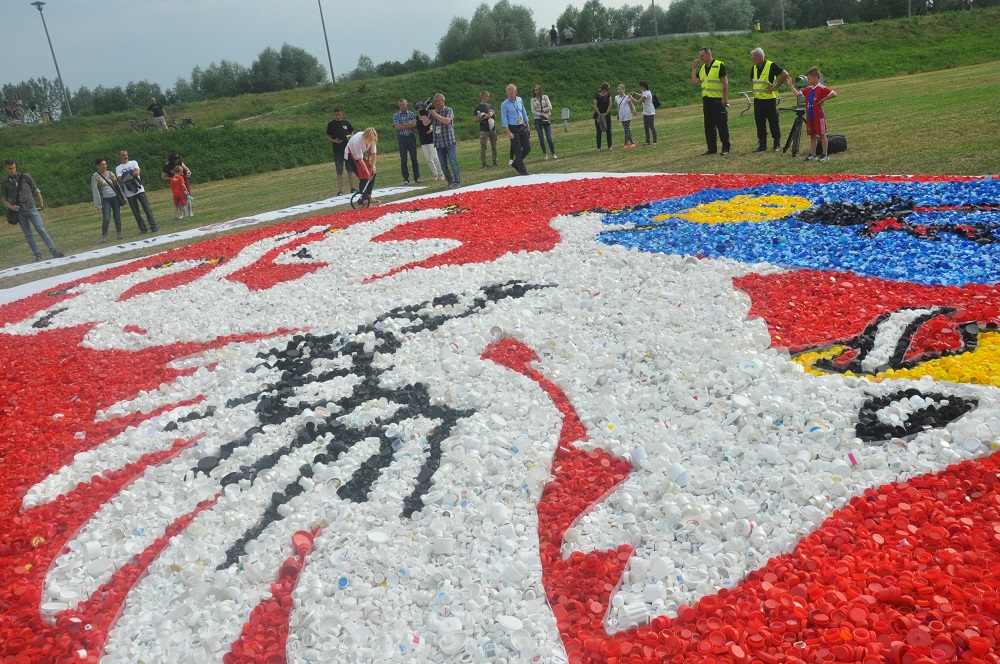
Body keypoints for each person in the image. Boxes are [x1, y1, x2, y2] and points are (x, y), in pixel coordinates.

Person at [2, 159, 64, 261]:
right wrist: (11, 207)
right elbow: (4, 199)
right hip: (19, 211)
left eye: (14, 168)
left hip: (31, 207)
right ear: (5, 168)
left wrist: (41, 204)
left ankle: (53, 251)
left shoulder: (25, 177)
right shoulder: (4, 183)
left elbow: (36, 190)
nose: (12, 170)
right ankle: (38, 255)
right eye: (10, 168)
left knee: (41, 229)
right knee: (28, 234)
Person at [749, 47, 796, 152]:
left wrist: (775, 87)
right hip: (757, 100)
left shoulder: (771, 66)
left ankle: (776, 143)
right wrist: (753, 87)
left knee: (773, 121)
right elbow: (751, 78)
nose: (753, 60)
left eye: (754, 58)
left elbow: (785, 74)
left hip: (769, 100)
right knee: (759, 122)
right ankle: (762, 144)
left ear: (761, 57)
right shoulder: (754, 68)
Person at [691, 47, 731, 156]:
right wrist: (694, 69)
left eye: (702, 56)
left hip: (717, 100)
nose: (701, 58)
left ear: (708, 55)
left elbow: (725, 82)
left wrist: (725, 97)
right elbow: (694, 81)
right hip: (707, 100)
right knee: (708, 126)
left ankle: (726, 147)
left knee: (721, 124)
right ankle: (712, 148)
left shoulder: (719, 65)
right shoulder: (703, 68)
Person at [115, 149, 158, 233]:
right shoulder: (118, 168)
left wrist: (126, 177)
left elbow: (136, 172)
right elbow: (120, 179)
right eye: (123, 155)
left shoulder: (133, 162)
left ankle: (153, 226)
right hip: (129, 192)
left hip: (139, 189)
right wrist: (130, 175)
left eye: (126, 155)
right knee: (136, 212)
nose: (125, 157)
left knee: (147, 208)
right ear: (119, 157)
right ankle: (143, 229)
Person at [800, 67, 837, 163]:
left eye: (809, 78)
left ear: (815, 78)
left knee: (822, 134)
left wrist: (823, 99)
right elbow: (797, 94)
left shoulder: (821, 88)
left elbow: (833, 94)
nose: (808, 80)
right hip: (810, 116)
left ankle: (825, 154)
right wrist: (790, 84)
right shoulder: (808, 89)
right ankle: (812, 154)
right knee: (812, 135)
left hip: (818, 116)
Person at [428, 93, 461, 188]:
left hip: (449, 140)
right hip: (439, 142)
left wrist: (434, 114)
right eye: (436, 101)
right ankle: (450, 181)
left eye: (439, 101)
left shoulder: (448, 110)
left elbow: (447, 121)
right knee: (443, 163)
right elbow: (426, 123)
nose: (437, 103)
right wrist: (423, 114)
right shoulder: (433, 112)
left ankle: (457, 181)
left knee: (453, 161)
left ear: (443, 101)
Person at [501, 84, 532, 176]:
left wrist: (527, 124)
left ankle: (516, 163)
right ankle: (523, 170)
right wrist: (508, 132)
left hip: (521, 125)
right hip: (513, 127)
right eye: (509, 93)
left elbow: (523, 112)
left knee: (527, 147)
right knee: (517, 150)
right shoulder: (504, 104)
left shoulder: (520, 100)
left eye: (512, 93)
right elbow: (504, 118)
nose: (510, 95)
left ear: (516, 92)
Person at [91, 158, 125, 242]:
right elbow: (96, 187)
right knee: (106, 218)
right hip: (105, 199)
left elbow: (115, 184)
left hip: (114, 197)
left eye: (105, 164)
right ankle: (104, 236)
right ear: (98, 166)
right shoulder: (96, 175)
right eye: (102, 164)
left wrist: (113, 180)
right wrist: (101, 183)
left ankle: (119, 233)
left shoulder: (110, 173)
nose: (104, 166)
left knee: (117, 217)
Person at [326, 107, 356, 196]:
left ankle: (353, 188)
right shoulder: (331, 124)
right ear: (334, 114)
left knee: (350, 169)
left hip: (347, 149)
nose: (338, 116)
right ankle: (340, 190)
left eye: (339, 114)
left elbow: (351, 131)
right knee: (339, 170)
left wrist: (351, 137)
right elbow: (328, 136)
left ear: (341, 113)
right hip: (337, 150)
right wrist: (334, 141)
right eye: (336, 115)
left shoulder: (345, 123)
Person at [345, 127, 379, 203]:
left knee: (373, 173)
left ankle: (369, 196)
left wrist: (373, 167)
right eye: (369, 139)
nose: (371, 141)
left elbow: (374, 154)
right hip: (350, 156)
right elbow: (360, 160)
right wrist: (367, 173)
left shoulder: (372, 139)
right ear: (366, 136)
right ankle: (364, 199)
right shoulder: (358, 140)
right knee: (364, 176)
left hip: (359, 156)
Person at [392, 98, 420, 185]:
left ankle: (417, 177)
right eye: (400, 105)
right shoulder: (396, 115)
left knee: (414, 158)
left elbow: (415, 124)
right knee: (403, 160)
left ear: (406, 105)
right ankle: (406, 179)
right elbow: (397, 127)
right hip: (402, 138)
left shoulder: (411, 114)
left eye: (403, 105)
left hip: (411, 137)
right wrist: (409, 124)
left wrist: (403, 124)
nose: (402, 107)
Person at [415, 102, 444, 181]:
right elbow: (417, 128)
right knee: (428, 159)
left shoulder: (429, 116)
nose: (419, 111)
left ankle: (441, 173)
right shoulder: (417, 118)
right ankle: (435, 174)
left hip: (431, 139)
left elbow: (436, 125)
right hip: (423, 140)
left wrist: (432, 129)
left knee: (435, 157)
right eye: (418, 109)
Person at [530, 85, 557, 160]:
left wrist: (542, 111)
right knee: (541, 137)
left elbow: (550, 107)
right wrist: (541, 114)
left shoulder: (545, 97)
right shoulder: (533, 100)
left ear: (540, 90)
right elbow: (533, 111)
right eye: (534, 90)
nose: (536, 91)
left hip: (546, 118)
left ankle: (553, 152)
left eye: (537, 90)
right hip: (537, 119)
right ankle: (545, 154)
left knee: (549, 137)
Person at [474, 91, 498, 168]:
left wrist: (492, 113)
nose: (488, 98)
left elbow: (495, 117)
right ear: (483, 96)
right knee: (483, 146)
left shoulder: (490, 106)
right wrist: (484, 117)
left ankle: (495, 161)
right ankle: (484, 163)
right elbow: (475, 119)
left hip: (492, 128)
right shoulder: (478, 107)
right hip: (484, 129)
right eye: (487, 96)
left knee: (494, 145)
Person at [630, 80, 658, 146]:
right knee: (646, 127)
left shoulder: (647, 93)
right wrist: (636, 94)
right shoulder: (644, 91)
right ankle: (647, 141)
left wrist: (631, 98)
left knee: (651, 126)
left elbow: (639, 102)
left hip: (650, 111)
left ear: (642, 86)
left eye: (639, 86)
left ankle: (655, 140)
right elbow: (642, 95)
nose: (638, 87)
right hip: (645, 111)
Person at [615, 84, 637, 149]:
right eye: (618, 89)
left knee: (626, 129)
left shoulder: (627, 97)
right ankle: (632, 142)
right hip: (621, 115)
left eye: (620, 89)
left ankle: (626, 143)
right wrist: (618, 113)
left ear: (624, 90)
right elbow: (617, 106)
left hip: (627, 114)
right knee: (627, 129)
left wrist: (634, 110)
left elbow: (631, 105)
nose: (619, 91)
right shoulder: (616, 97)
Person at [593, 82, 613, 151]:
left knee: (609, 130)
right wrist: (599, 114)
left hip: (606, 114)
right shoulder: (597, 95)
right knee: (599, 131)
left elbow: (610, 103)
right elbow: (595, 105)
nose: (609, 90)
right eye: (608, 89)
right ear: (603, 89)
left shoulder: (608, 95)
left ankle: (609, 146)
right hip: (598, 115)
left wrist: (607, 112)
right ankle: (598, 147)